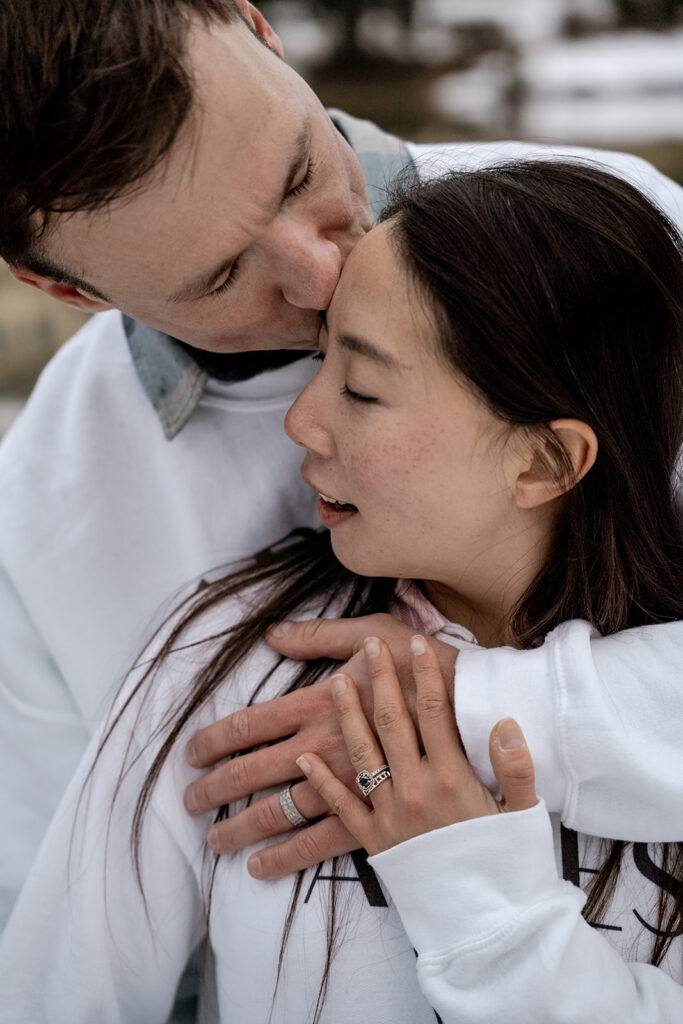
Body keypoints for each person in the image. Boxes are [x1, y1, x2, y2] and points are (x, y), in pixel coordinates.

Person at [1, 0, 682, 944]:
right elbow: (50, 930)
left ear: (258, 26)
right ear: (67, 292)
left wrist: (459, 710)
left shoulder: (622, 255)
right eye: (220, 276)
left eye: (295, 172)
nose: (326, 275)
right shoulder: (46, 505)